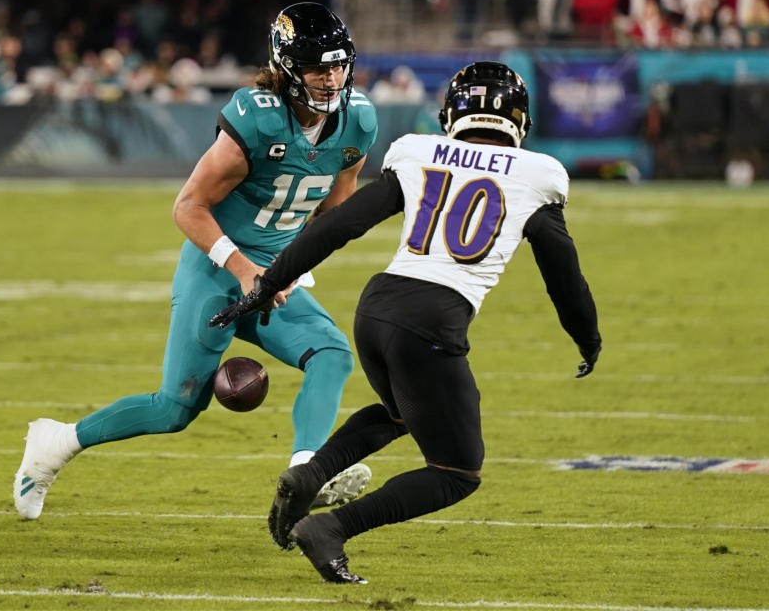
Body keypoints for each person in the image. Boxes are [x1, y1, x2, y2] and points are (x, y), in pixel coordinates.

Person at [210, 61, 602, 583]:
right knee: (457, 471)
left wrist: (265, 284)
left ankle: (311, 475)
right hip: (432, 322)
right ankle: (331, 527)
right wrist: (587, 337)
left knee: (400, 412)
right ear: (519, 119)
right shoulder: (539, 174)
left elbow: (339, 227)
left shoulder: (420, 152)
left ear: (450, 113)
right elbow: (564, 277)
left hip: (376, 309)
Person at [13, 2, 378, 520]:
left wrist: (288, 266)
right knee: (176, 407)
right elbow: (188, 207)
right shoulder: (258, 120)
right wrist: (244, 268)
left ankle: (308, 472)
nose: (332, 77)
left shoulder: (358, 120)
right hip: (216, 266)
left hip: (273, 272)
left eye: (339, 65)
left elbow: (334, 209)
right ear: (287, 67)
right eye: (319, 67)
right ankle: (56, 442)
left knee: (332, 353)